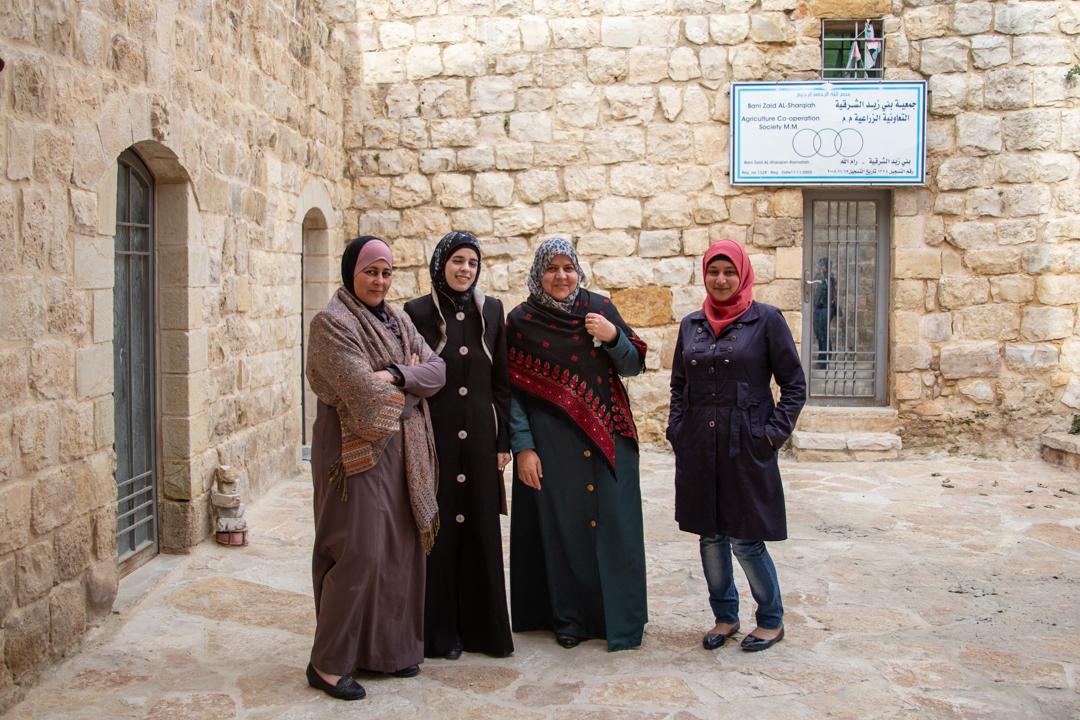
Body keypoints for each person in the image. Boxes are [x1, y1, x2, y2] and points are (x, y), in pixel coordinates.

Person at [304, 236, 446, 700]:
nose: (379, 281)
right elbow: (365, 397)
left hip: (405, 452)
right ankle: (328, 664)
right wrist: (409, 384)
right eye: (371, 271)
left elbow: (439, 371)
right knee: (358, 550)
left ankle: (388, 651)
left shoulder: (400, 319)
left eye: (386, 272)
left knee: (399, 549)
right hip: (353, 454)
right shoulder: (332, 323)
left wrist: (398, 374)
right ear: (352, 273)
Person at [507, 237, 649, 651]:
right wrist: (523, 447)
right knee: (563, 533)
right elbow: (511, 392)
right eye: (551, 268)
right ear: (538, 273)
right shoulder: (520, 321)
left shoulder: (600, 309)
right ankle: (568, 620)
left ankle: (615, 619)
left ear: (579, 270)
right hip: (553, 444)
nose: (561, 276)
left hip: (610, 438)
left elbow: (634, 363)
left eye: (568, 268)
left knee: (614, 530)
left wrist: (611, 337)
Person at [667, 239, 806, 653]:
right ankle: (725, 616)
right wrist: (678, 430)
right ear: (705, 275)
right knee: (709, 536)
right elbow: (679, 385)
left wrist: (770, 435)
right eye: (714, 271)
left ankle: (771, 620)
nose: (721, 279)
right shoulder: (691, 324)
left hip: (746, 446)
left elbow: (794, 385)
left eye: (729, 272)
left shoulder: (766, 320)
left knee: (746, 538)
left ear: (742, 274)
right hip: (699, 447)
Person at [404, 231, 514, 660]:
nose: (465, 269)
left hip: (482, 440)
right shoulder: (415, 312)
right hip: (437, 439)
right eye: (457, 261)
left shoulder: (493, 311)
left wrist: (503, 440)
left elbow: (501, 384)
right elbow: (411, 374)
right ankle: (441, 634)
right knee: (441, 531)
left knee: (482, 531)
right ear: (441, 264)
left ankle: (485, 633)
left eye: (471, 262)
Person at [812, 256, 837, 369]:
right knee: (819, 334)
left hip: (826, 309)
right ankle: (823, 357)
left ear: (826, 267)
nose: (820, 267)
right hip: (818, 309)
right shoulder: (819, 277)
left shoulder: (829, 279)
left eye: (822, 265)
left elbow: (831, 296)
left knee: (823, 334)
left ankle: (824, 359)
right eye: (820, 265)